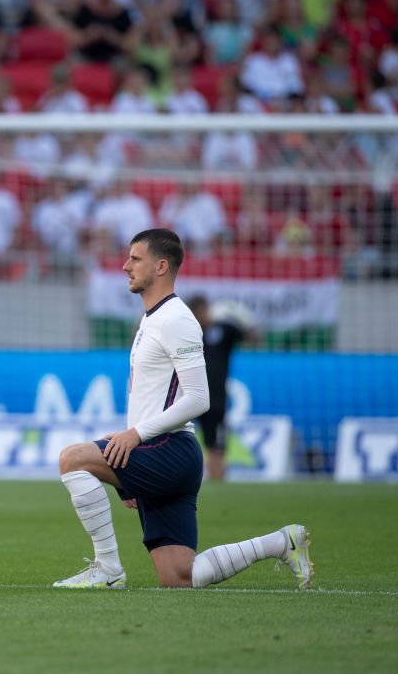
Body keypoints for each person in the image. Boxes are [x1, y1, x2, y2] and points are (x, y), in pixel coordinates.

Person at [53, 228, 312, 589]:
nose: (126, 266)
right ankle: (282, 542)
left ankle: (108, 570)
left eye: (135, 259)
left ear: (161, 266)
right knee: (180, 577)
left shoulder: (177, 318)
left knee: (72, 459)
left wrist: (135, 436)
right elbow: (155, 394)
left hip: (170, 451)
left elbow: (198, 398)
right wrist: (129, 450)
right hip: (160, 450)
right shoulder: (152, 318)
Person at [186, 295, 250, 481]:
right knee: (179, 439)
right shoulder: (186, 334)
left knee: (216, 443)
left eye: (205, 310)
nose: (204, 315)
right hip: (188, 397)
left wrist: (239, 317)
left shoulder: (222, 331)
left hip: (215, 399)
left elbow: (251, 336)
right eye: (199, 311)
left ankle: (217, 476)